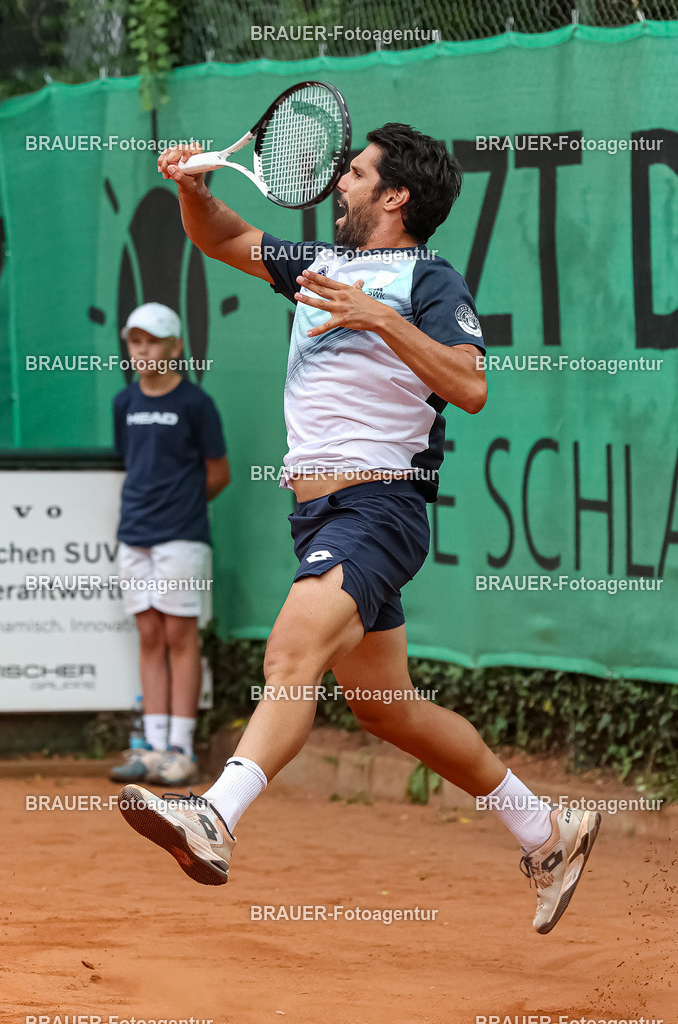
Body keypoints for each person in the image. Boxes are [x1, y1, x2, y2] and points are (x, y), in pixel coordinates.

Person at [118, 126, 600, 933]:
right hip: (320, 513)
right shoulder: (317, 266)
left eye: (353, 172)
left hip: (380, 505)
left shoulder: (429, 279)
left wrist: (380, 318)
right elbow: (224, 237)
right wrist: (191, 189)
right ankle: (546, 831)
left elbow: (470, 386)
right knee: (385, 707)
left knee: (290, 650)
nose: (337, 182)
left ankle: (216, 815)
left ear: (394, 196)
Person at [110, 302, 230, 787]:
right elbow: (130, 460)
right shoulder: (123, 402)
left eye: (153, 341)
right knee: (149, 635)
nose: (143, 351)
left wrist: (178, 507)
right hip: (133, 536)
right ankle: (153, 746)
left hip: (182, 538)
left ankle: (181, 749)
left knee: (181, 638)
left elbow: (218, 473)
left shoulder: (196, 405)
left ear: (175, 348)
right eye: (136, 342)